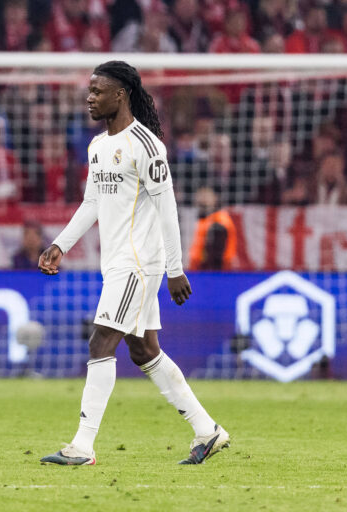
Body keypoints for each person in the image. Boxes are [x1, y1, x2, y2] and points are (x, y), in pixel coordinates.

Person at [38, 61, 230, 466]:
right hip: (117, 262)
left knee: (100, 342)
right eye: (89, 91)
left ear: (120, 94)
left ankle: (83, 447)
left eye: (97, 91)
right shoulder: (97, 146)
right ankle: (207, 430)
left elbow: (168, 209)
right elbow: (92, 202)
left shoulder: (146, 144)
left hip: (140, 263)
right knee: (144, 351)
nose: (90, 98)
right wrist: (61, 244)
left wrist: (175, 269)